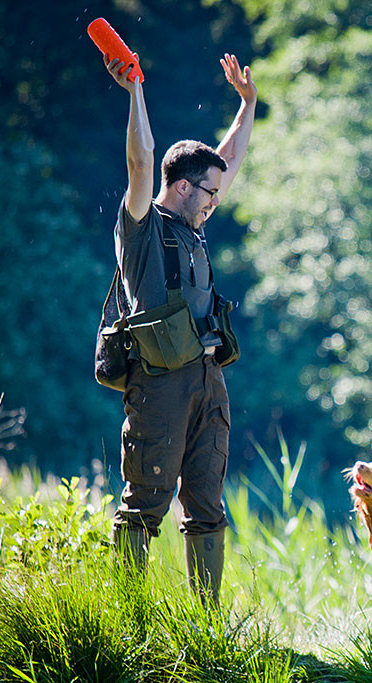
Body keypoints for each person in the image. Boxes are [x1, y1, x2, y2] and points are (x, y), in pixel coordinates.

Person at [102, 50, 256, 607]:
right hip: (161, 384)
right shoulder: (142, 224)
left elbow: (229, 156)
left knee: (209, 507)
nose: (219, 199)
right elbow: (141, 162)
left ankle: (204, 626)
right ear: (185, 186)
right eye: (211, 192)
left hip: (208, 379)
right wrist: (135, 90)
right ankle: (127, 618)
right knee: (145, 502)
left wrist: (248, 103)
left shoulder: (197, 218)